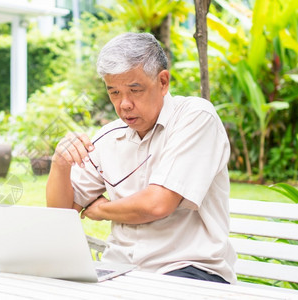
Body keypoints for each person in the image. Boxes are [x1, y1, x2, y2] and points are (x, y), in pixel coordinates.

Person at [46, 32, 236, 284]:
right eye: (114, 92)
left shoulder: (196, 117)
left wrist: (102, 210)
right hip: (120, 270)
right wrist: (60, 164)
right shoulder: (108, 137)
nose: (124, 104)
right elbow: (61, 215)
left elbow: (158, 204)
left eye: (135, 90)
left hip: (190, 269)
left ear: (163, 82)